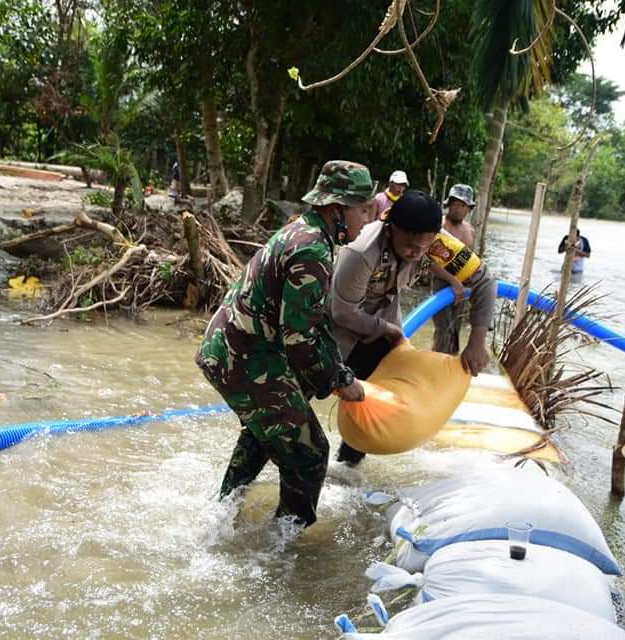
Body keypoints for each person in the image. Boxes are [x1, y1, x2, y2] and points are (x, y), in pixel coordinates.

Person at [196, 160, 373, 528]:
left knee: (269, 433)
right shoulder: (312, 251)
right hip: (243, 357)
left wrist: (337, 373)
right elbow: (300, 340)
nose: (366, 219)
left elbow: (310, 322)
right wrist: (340, 383)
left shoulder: (305, 232)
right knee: (310, 452)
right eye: (362, 209)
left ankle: (223, 511)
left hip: (234, 349)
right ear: (338, 210)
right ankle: (283, 549)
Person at [330, 189, 495, 466]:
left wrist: (477, 341)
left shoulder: (438, 243)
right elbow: (343, 313)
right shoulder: (361, 252)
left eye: (424, 245)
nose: (417, 251)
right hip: (332, 333)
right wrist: (391, 331)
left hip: (380, 334)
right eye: (409, 244)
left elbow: (484, 281)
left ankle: (346, 471)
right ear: (391, 228)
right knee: (292, 407)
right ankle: (238, 488)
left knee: (370, 405)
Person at [432, 184, 477, 354]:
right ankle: (436, 366)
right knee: (443, 331)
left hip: (463, 288)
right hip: (442, 284)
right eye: (456, 204)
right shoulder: (438, 226)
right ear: (448, 204)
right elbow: (426, 262)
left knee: (455, 331)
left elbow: (472, 262)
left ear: (469, 209)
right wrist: (453, 281)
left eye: (463, 205)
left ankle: (450, 366)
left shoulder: (470, 231)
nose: (459, 209)